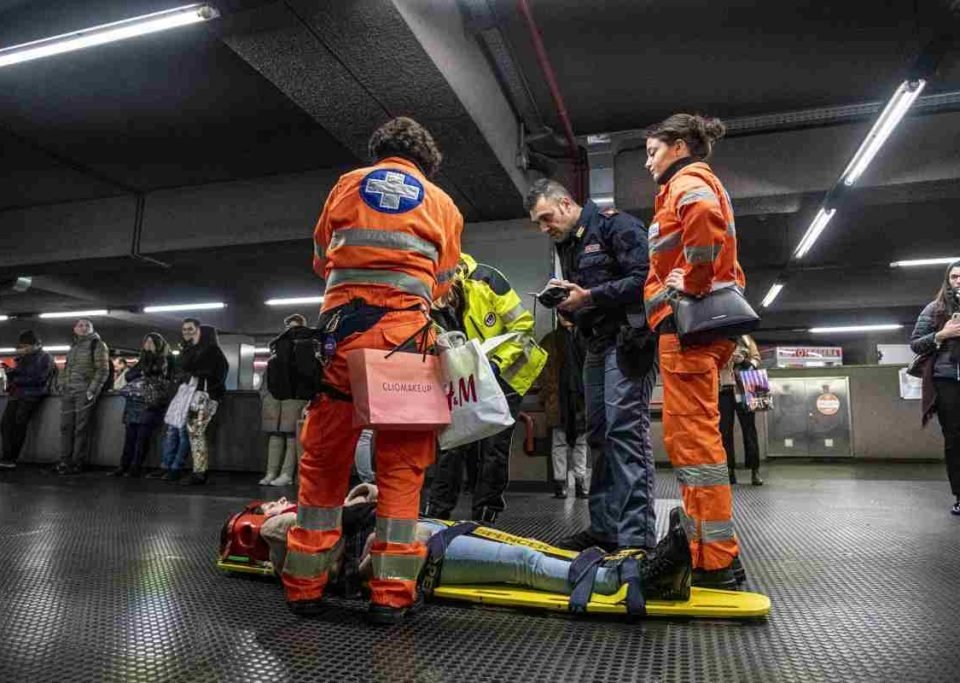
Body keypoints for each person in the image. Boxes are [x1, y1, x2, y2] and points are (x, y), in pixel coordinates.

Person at [281, 116, 463, 625]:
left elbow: (322, 258)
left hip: (341, 341)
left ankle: (305, 588)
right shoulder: (442, 203)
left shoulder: (346, 185)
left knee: (323, 465)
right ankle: (389, 595)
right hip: (406, 345)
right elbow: (444, 281)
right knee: (401, 469)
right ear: (426, 161)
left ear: (377, 151)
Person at [261, 487, 693, 606]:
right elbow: (335, 571)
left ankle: (625, 566)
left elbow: (334, 527)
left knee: (526, 548)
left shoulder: (309, 519)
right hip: (416, 552)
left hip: (416, 532)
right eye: (271, 506)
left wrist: (361, 498)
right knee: (523, 562)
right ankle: (637, 580)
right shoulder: (280, 533)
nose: (278, 504)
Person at [642, 113, 746, 589]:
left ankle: (716, 562)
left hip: (688, 331)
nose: (648, 163)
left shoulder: (689, 181)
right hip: (695, 331)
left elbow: (705, 223)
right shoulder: (690, 183)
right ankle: (709, 551)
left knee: (695, 447)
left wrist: (694, 283)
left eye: (652, 151)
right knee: (695, 445)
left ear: (679, 146)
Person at [526, 180, 657, 553]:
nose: (543, 228)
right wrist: (570, 301)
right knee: (597, 434)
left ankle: (637, 538)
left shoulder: (618, 226)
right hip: (594, 345)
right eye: (537, 222)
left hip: (628, 342)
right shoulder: (567, 244)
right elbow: (585, 297)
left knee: (625, 434)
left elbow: (646, 279)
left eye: (546, 218)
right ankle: (604, 529)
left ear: (566, 203)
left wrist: (591, 296)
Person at [424, 253, 547, 524]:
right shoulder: (428, 306)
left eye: (445, 300)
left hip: (507, 373)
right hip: (467, 378)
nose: (442, 307)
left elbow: (523, 327)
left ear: (451, 281)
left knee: (494, 447)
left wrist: (496, 363)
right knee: (453, 443)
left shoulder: (487, 280)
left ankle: (486, 513)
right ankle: (438, 511)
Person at [910, 259, 960, 515]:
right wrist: (942, 334)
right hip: (947, 379)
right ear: (948, 280)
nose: (959, 280)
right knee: (955, 439)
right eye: (954, 277)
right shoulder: (935, 309)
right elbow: (916, 344)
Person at [259, 314, 312, 487]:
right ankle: (271, 473)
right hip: (275, 400)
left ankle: (286, 474)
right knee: (275, 435)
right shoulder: (278, 350)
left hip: (294, 399)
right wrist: (265, 395)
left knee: (291, 437)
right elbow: (266, 377)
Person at [110, 333, 173, 478]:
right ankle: (124, 465)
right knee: (130, 436)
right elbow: (129, 375)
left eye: (152, 342)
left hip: (151, 402)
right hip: (136, 402)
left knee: (142, 437)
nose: (148, 345)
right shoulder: (142, 360)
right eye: (147, 342)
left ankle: (135, 466)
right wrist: (144, 372)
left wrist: (144, 372)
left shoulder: (166, 360)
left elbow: (161, 375)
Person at [540, 315, 589, 499]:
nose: (565, 317)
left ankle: (579, 481)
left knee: (580, 442)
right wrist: (547, 393)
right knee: (560, 441)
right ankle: (560, 483)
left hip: (579, 397)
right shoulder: (550, 340)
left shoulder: (584, 337)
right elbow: (541, 369)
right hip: (559, 397)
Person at [0, 331, 55, 471]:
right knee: (6, 425)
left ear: (36, 345)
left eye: (27, 346)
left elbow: (40, 378)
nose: (24, 348)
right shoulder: (22, 358)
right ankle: (7, 458)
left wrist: (16, 379)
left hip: (31, 395)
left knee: (18, 424)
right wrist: (11, 373)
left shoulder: (45, 357)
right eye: (22, 346)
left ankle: (10, 458)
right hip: (18, 394)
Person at [55, 318, 110, 475]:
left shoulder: (98, 345)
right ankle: (64, 460)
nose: (84, 327)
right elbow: (66, 368)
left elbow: (103, 370)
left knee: (81, 428)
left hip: (84, 392)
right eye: (80, 325)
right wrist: (61, 385)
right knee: (66, 427)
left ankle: (77, 462)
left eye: (87, 325)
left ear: (92, 329)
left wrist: (92, 390)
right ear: (75, 329)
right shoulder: (74, 347)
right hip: (69, 391)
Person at [151, 318, 199, 481]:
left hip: (190, 394)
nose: (186, 332)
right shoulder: (184, 349)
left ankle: (175, 467)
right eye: (184, 329)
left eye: (190, 329)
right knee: (172, 432)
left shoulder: (199, 350)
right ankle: (167, 465)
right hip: (178, 394)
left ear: (197, 330)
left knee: (182, 433)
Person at [181, 324, 228, 486]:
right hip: (208, 398)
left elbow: (200, 371)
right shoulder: (217, 353)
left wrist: (194, 372)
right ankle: (200, 470)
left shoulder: (209, 353)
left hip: (201, 398)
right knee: (197, 434)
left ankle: (199, 471)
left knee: (196, 434)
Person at [719, 335, 763, 486]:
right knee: (724, 432)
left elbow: (757, 358)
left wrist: (744, 362)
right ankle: (729, 470)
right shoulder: (718, 338)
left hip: (745, 389)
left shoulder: (746, 339)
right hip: (723, 389)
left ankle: (754, 470)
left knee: (749, 430)